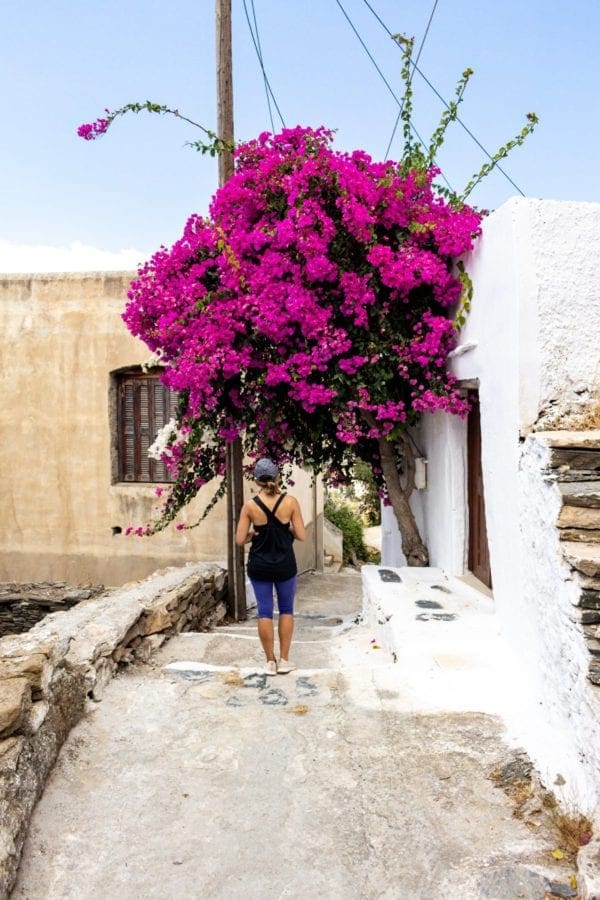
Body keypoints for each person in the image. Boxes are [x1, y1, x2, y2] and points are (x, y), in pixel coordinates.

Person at [235, 458, 306, 676]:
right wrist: (288, 532)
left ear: (257, 480)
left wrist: (253, 535)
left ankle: (270, 662)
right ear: (277, 477)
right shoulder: (291, 502)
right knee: (286, 610)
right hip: (285, 565)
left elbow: (239, 540)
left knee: (264, 612)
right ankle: (284, 660)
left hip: (259, 566)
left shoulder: (250, 506)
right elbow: (302, 535)